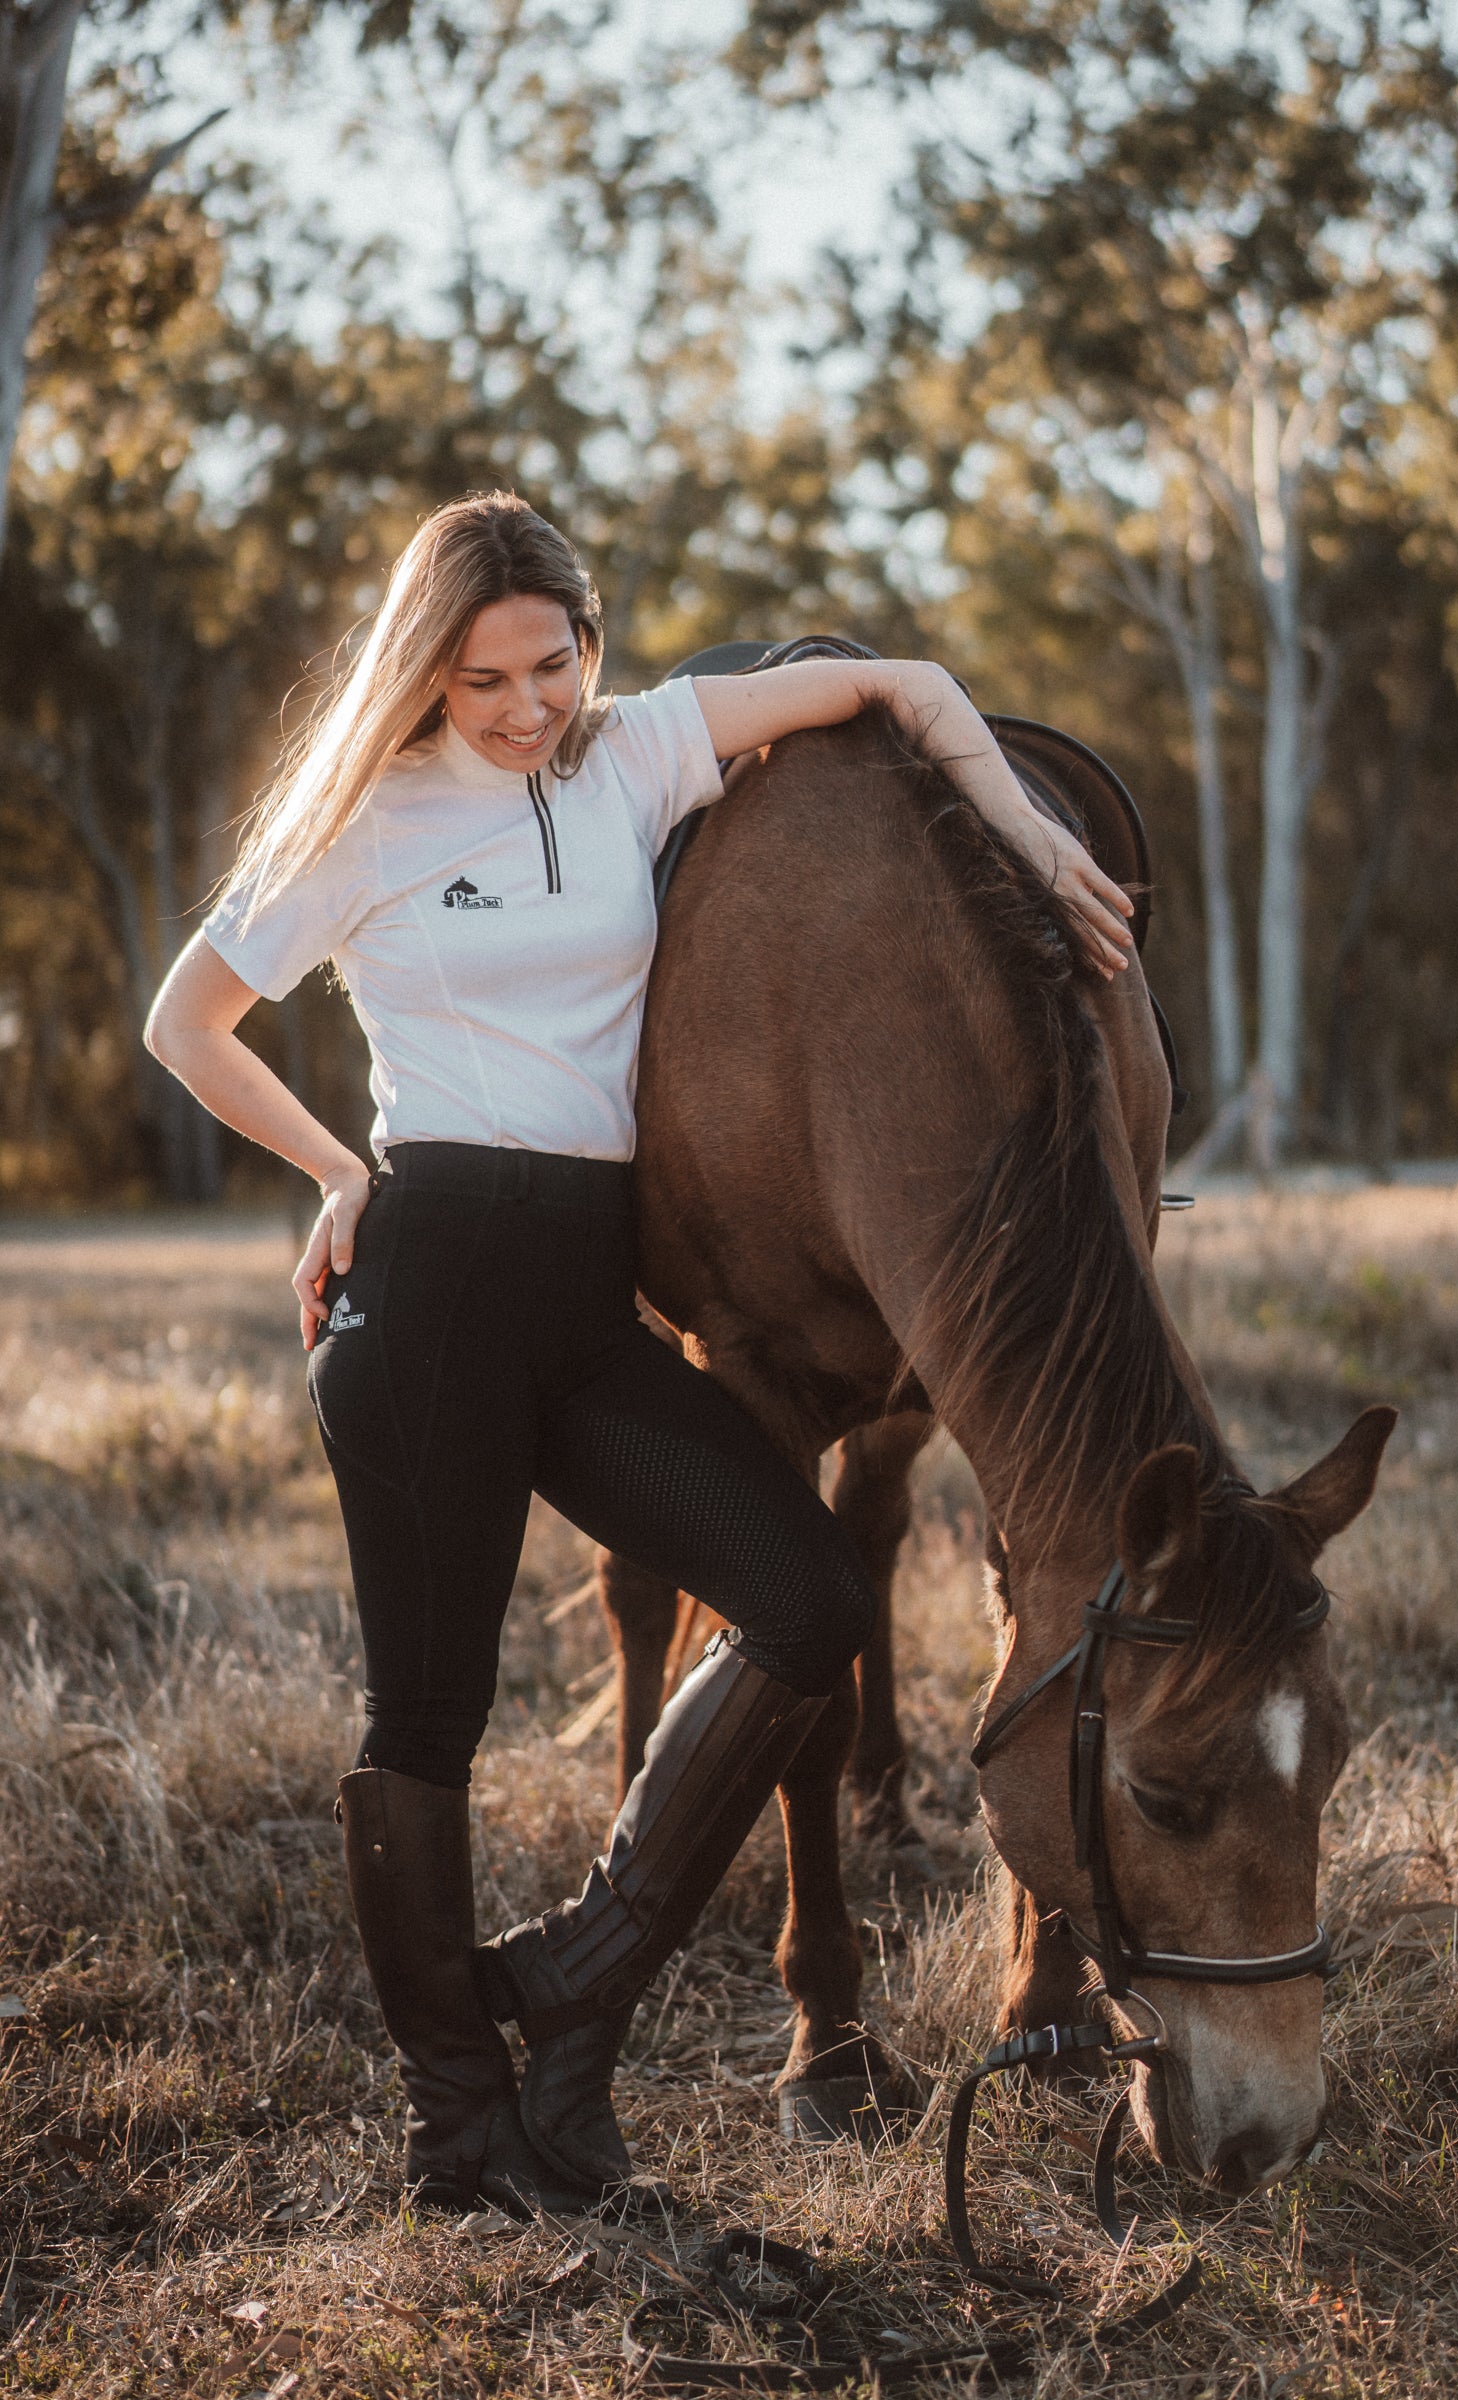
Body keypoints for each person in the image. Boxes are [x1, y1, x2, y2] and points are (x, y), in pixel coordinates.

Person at [145, 490, 1134, 2223]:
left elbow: (900, 682)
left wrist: (1036, 840)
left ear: (590, 641)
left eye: (554, 660)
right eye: (481, 680)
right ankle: (465, 2131)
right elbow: (186, 1020)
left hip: (589, 1311)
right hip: (431, 1291)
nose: (527, 705)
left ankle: (581, 1986)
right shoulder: (369, 817)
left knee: (811, 1594)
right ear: (424, 679)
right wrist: (335, 1171)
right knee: (428, 1722)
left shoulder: (635, 759)